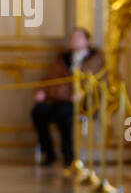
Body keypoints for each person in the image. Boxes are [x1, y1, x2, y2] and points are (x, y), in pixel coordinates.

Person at [32, 27, 105, 168]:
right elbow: (48, 78)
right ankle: (49, 153)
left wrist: (81, 92)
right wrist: (41, 90)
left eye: (79, 37)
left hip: (82, 103)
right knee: (39, 111)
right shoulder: (62, 59)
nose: (75, 40)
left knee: (64, 113)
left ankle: (68, 155)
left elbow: (94, 82)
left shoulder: (96, 59)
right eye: (73, 37)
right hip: (58, 99)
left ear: (87, 41)